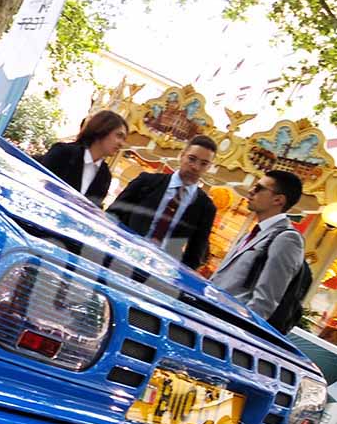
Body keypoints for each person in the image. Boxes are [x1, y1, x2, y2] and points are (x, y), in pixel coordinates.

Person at [107, 134, 217, 269]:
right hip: (121, 256)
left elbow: (195, 252)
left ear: (209, 167)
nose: (195, 167)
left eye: (204, 163)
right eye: (191, 159)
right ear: (182, 155)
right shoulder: (146, 182)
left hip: (160, 270)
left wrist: (175, 274)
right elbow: (112, 215)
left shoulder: (205, 207)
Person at [210, 171, 305, 321]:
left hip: (226, 322)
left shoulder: (287, 239)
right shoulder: (256, 232)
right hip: (210, 311)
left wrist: (235, 328)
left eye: (259, 188)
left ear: (278, 200)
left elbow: (264, 301)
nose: (251, 191)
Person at [39, 109, 128, 208]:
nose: (121, 143)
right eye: (119, 136)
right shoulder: (63, 153)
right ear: (102, 129)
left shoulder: (105, 175)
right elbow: (39, 184)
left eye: (124, 139)